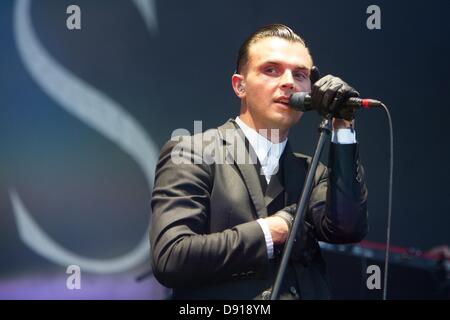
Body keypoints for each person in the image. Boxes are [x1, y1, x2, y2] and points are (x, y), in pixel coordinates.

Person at [150, 24, 368, 299]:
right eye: (271, 70)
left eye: (300, 74)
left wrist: (342, 123)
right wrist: (272, 231)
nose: (289, 82)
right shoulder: (192, 152)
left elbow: (347, 228)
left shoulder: (314, 173)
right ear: (239, 85)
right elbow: (171, 257)